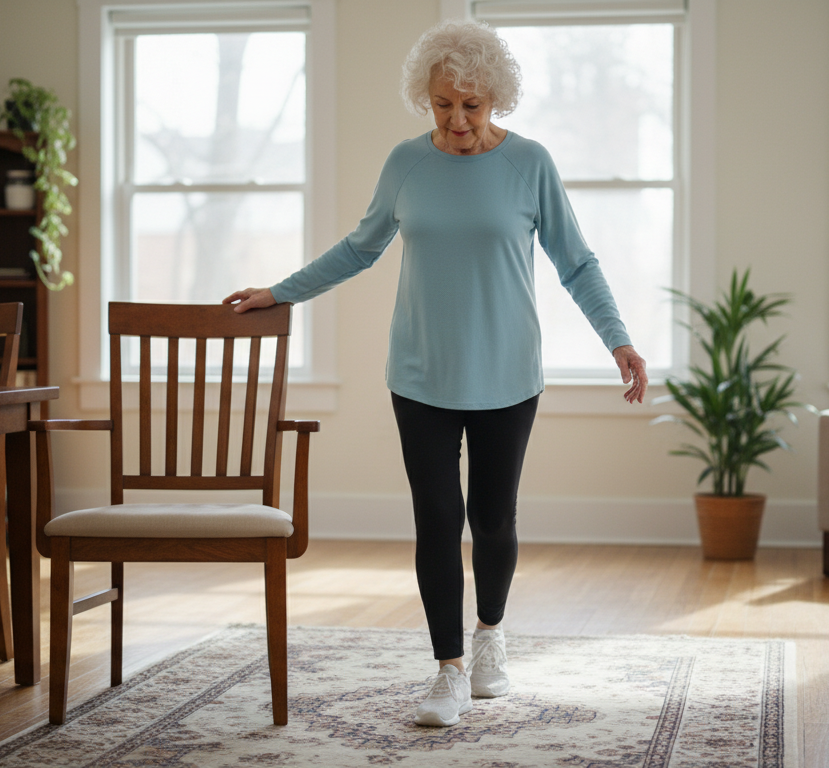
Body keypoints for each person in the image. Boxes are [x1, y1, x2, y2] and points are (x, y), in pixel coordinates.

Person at [224, 18, 648, 727]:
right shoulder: (406, 164)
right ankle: (448, 669)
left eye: (471, 105)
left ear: (497, 99)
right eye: (443, 104)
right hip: (420, 373)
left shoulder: (530, 163)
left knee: (493, 517)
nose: (456, 120)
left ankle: (490, 638)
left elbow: (576, 262)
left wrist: (619, 340)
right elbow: (359, 249)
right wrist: (280, 292)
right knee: (437, 518)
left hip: (508, 372)